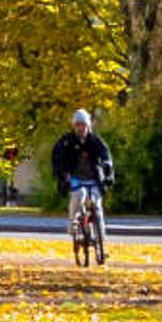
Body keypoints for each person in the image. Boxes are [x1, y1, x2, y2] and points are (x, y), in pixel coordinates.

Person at [50, 107, 115, 272]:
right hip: (75, 179)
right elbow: (57, 158)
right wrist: (62, 175)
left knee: (97, 206)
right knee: (79, 195)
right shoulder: (66, 141)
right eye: (78, 125)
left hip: (93, 179)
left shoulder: (95, 141)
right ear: (74, 126)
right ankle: (73, 224)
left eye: (83, 125)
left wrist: (107, 169)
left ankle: (101, 245)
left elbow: (106, 155)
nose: (81, 129)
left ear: (88, 126)